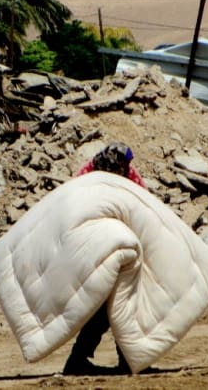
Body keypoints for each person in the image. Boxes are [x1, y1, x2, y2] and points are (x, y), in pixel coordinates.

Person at [64, 142, 146, 376]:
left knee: (119, 304)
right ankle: (81, 360)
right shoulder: (88, 175)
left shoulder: (130, 176)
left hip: (120, 247)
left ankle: (88, 359)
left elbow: (142, 204)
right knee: (107, 307)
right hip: (96, 249)